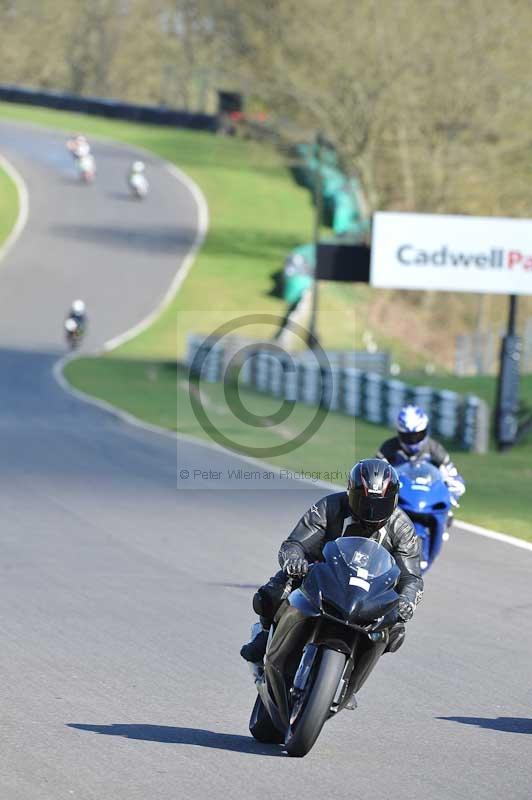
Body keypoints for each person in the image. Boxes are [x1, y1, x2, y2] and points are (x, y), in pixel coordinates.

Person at [240, 458, 423, 684]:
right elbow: (294, 543)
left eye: (380, 504)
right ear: (350, 492)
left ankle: (351, 676)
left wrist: (407, 600)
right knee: (272, 593)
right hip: (322, 574)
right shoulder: (329, 507)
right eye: (364, 502)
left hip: (369, 590)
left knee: (395, 630)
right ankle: (266, 634)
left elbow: (411, 576)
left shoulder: (402, 528)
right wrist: (294, 561)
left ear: (393, 499)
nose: (371, 511)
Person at [376, 404, 466, 508]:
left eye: (417, 435)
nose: (413, 440)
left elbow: (454, 478)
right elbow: (376, 475)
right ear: (399, 433)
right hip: (397, 503)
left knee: (447, 517)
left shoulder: (435, 449)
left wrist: (450, 497)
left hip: (428, 503)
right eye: (408, 437)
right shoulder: (388, 448)